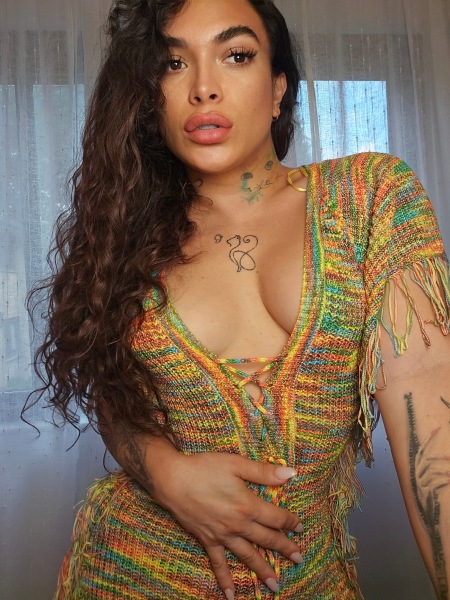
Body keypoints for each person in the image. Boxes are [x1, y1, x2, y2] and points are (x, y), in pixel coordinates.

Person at [29, 0, 450, 598]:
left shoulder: (369, 200)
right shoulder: (129, 235)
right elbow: (114, 396)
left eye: (236, 55)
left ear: (278, 88)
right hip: (128, 572)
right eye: (174, 63)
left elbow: (433, 425)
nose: (203, 87)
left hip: (309, 580)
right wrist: (167, 474)